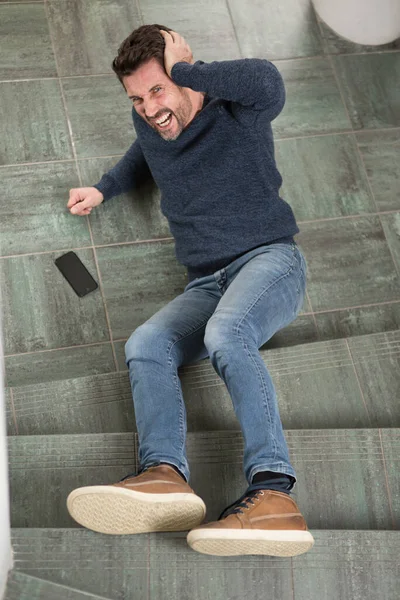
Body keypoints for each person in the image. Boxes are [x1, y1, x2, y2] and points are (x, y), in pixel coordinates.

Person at [66, 24, 314, 558]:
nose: (149, 109)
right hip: (206, 280)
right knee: (146, 345)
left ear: (184, 72)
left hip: (271, 258)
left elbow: (269, 83)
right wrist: (103, 188)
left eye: (158, 90)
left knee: (228, 334)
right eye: (136, 97)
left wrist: (186, 72)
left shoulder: (235, 106)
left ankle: (273, 494)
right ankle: (163, 474)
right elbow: (143, 153)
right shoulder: (152, 126)